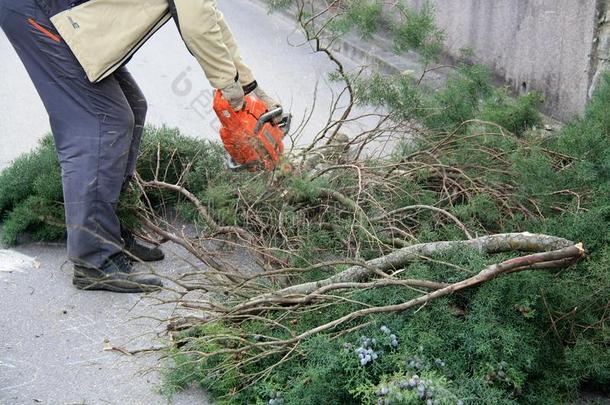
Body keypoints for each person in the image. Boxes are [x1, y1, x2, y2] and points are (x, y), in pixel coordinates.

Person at [0, 0, 281, 293]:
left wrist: (251, 88)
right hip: (37, 10)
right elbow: (197, 23)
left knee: (132, 106)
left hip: (64, 10)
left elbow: (208, 15)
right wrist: (233, 93)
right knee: (102, 119)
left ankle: (113, 234)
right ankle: (93, 258)